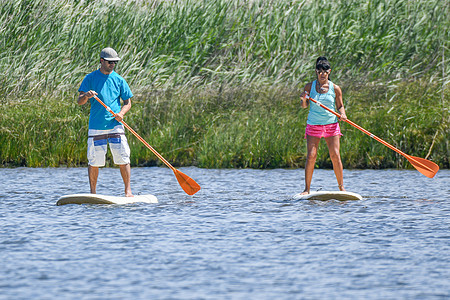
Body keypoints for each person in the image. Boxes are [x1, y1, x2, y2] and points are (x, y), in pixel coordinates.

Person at [78, 47, 134, 197]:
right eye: (110, 62)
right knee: (94, 161)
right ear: (101, 61)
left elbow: (128, 102)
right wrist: (87, 96)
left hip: (115, 126)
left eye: (115, 62)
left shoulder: (119, 80)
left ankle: (128, 191)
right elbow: (79, 101)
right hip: (96, 126)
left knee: (123, 157)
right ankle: (93, 193)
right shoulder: (90, 78)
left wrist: (121, 113)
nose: (113, 65)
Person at [299, 56, 347, 195]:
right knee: (311, 156)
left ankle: (341, 188)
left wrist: (343, 114)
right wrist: (303, 99)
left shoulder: (335, 88)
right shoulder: (309, 86)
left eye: (325, 71)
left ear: (329, 72)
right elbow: (304, 106)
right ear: (316, 72)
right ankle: (307, 189)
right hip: (314, 125)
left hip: (331, 125)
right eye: (319, 71)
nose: (322, 74)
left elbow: (340, 106)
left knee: (335, 155)